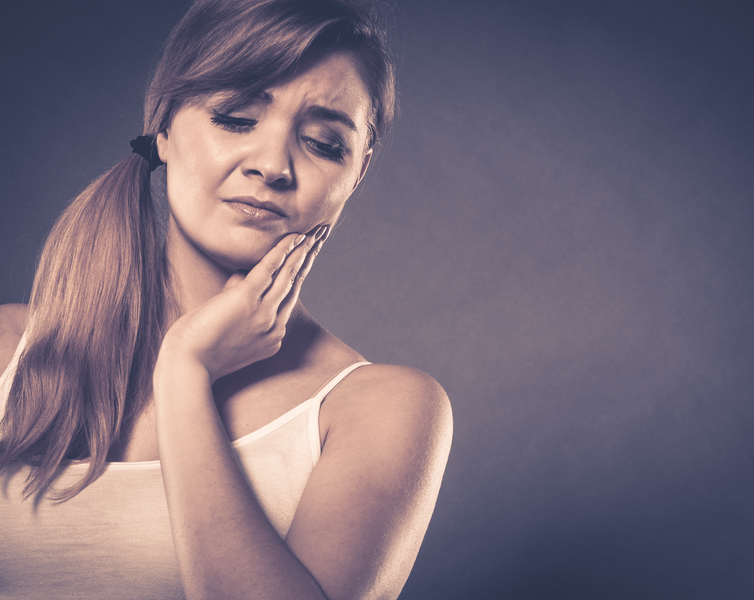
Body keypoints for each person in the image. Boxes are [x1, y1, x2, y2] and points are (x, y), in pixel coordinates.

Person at [0, 0, 453, 598]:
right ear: (162, 127)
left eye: (323, 143)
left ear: (358, 171)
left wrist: (184, 371)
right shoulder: (9, 350)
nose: (271, 165)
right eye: (237, 118)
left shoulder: (382, 410)